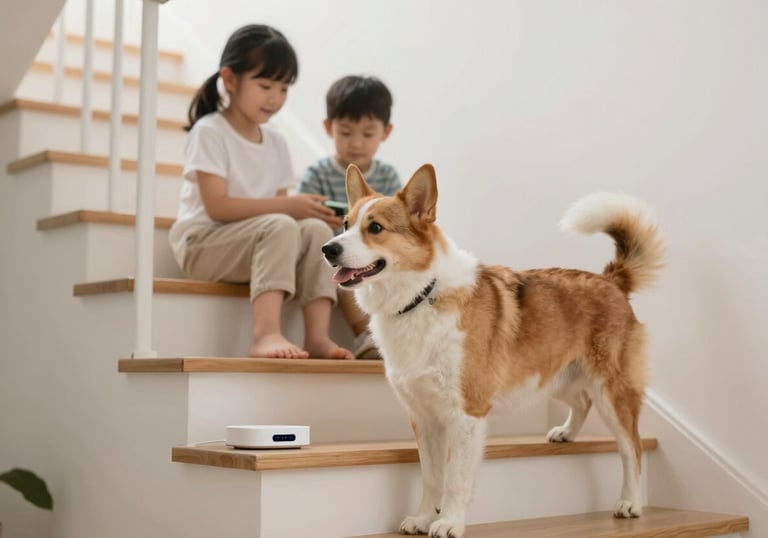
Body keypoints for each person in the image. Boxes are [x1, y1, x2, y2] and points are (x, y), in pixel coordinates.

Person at [168, 24, 354, 360]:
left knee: (315, 231)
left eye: (283, 88)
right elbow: (217, 208)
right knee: (281, 224)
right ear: (229, 79)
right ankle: (265, 334)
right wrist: (288, 207)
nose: (275, 98)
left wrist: (302, 210)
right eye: (265, 85)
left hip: (257, 244)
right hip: (203, 243)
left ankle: (317, 337)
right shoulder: (210, 131)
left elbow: (282, 212)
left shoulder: (277, 142)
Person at [297, 75, 401, 359]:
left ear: (386, 132)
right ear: (328, 128)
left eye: (368, 134)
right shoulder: (317, 173)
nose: (356, 143)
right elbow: (303, 221)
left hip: (370, 256)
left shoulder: (388, 176)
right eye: (345, 132)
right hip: (330, 255)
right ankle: (365, 334)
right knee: (345, 271)